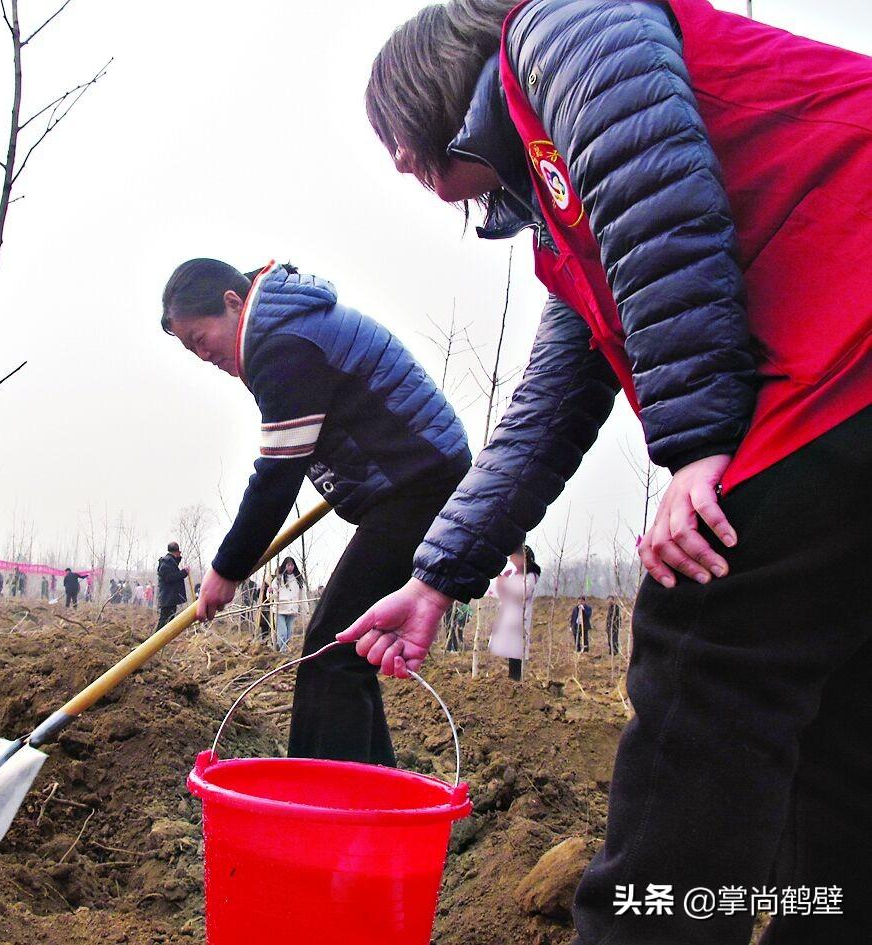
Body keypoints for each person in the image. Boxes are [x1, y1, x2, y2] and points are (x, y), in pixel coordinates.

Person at [345, 1, 872, 940]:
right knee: (839, 728)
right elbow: (549, 408)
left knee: (709, 651)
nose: (394, 162)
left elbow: (654, 192)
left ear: (434, 86)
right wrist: (437, 577)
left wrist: (698, 444)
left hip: (845, 346)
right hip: (844, 372)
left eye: (393, 133)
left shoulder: (561, 27)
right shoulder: (565, 223)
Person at [165, 258, 471, 766]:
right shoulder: (288, 328)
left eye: (200, 338)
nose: (203, 355)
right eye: (188, 349)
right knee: (346, 650)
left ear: (232, 302)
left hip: (418, 484)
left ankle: (326, 810)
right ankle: (370, 801)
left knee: (331, 651)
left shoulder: (283, 346)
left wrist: (226, 569)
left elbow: (277, 478)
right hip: (410, 480)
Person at [490, 544, 540, 680]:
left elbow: (524, 591)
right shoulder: (516, 574)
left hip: (519, 618)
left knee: (517, 650)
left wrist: (506, 583)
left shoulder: (531, 575)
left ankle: (516, 679)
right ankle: (513, 678)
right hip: (510, 617)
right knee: (511, 649)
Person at [267, 557, 305, 652]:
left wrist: (305, 608)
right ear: (284, 565)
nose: (290, 567)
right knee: (282, 633)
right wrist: (270, 592)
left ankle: (282, 649)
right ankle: (283, 652)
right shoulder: (278, 579)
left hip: (292, 609)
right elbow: (272, 597)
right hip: (280, 609)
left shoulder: (298, 579)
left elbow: (302, 595)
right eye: (288, 565)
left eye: (292, 565)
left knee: (289, 633)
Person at [156, 543, 190, 628]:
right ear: (177, 551)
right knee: (165, 620)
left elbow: (172, 570)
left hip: (169, 597)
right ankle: (157, 639)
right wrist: (184, 572)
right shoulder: (166, 562)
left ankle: (161, 639)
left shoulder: (169, 562)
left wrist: (178, 559)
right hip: (167, 597)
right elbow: (169, 577)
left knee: (168, 619)